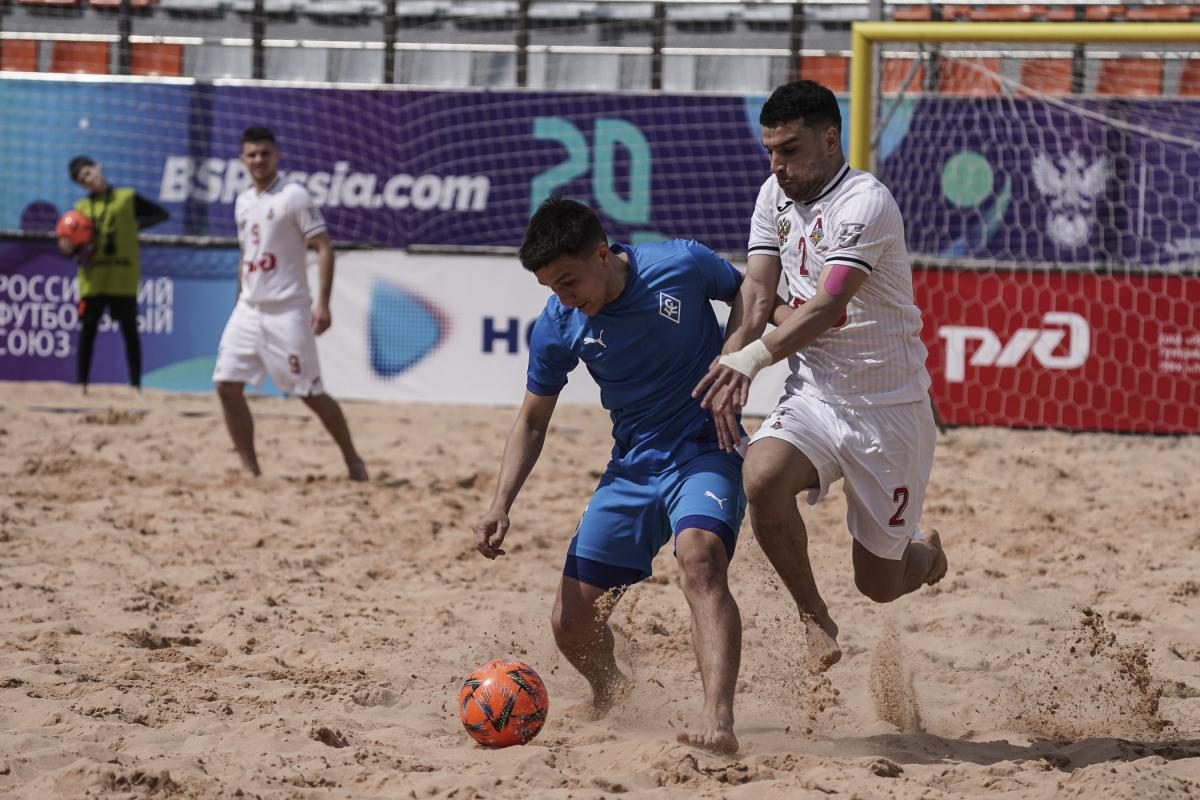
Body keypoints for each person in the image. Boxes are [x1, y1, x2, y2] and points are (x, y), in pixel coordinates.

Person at [473, 197, 747, 754]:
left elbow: (747, 292)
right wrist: (500, 503)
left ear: (602, 254)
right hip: (631, 469)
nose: (563, 297)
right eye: (550, 287)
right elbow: (532, 421)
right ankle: (612, 691)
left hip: (705, 449)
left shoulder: (681, 263)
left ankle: (717, 717)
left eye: (568, 281)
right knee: (571, 624)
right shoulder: (558, 324)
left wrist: (735, 358)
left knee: (699, 561)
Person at [693, 80, 947, 674]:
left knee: (879, 584)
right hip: (815, 394)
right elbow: (758, 294)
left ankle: (927, 557)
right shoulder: (773, 195)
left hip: (887, 408)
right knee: (762, 477)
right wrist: (730, 362)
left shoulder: (866, 202)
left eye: (789, 150)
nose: (776, 165)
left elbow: (828, 308)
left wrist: (752, 360)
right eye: (769, 151)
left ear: (831, 140)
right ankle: (813, 616)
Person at [212, 126, 367, 481]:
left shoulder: (293, 196)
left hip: (287, 310)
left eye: (265, 153)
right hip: (249, 309)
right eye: (252, 154)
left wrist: (323, 303)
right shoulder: (242, 202)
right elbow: (246, 255)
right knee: (226, 385)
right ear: (242, 159)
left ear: (277, 156)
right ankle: (250, 470)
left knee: (310, 393)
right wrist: (238, 299)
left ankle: (353, 460)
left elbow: (323, 247)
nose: (259, 160)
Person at [58, 156, 168, 394]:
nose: (88, 180)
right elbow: (75, 247)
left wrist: (134, 227)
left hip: (122, 278)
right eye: (82, 179)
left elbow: (161, 214)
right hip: (93, 280)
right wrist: (70, 248)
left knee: (130, 332)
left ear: (98, 167)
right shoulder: (81, 208)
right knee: (88, 332)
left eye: (88, 173)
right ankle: (82, 387)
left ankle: (136, 387)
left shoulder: (126, 198)